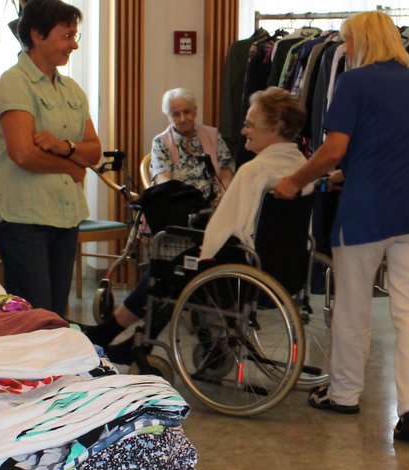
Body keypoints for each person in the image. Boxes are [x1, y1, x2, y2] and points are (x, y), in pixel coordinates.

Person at [274, 12, 409, 444]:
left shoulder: (353, 83)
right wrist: (348, 170)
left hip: (368, 210)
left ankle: (345, 394)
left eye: (348, 41)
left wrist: (294, 180)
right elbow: (393, 146)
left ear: (363, 40)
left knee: (352, 308)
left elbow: (334, 149)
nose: (344, 50)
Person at [83, 88, 307, 350]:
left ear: (274, 129)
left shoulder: (253, 170)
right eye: (176, 113)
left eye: (249, 125)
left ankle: (117, 335)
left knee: (165, 269)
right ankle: (134, 339)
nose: (243, 130)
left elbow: (222, 228)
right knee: (178, 263)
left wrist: (206, 223)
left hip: (239, 266)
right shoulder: (301, 166)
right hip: (285, 266)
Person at [0, 0, 101, 316]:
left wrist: (66, 147)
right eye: (67, 36)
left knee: (56, 314)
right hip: (22, 217)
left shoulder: (71, 89)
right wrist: (71, 167)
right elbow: (23, 154)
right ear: (37, 35)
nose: (73, 45)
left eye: (75, 36)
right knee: (34, 315)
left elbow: (94, 150)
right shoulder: (14, 82)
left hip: (65, 215)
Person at [148, 87, 232, 200]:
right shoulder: (160, 142)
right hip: (180, 203)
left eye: (187, 112)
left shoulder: (213, 136)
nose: (183, 119)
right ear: (169, 117)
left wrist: (224, 196)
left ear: (195, 111)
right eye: (176, 114)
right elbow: (164, 181)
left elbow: (226, 172)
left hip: (216, 203)